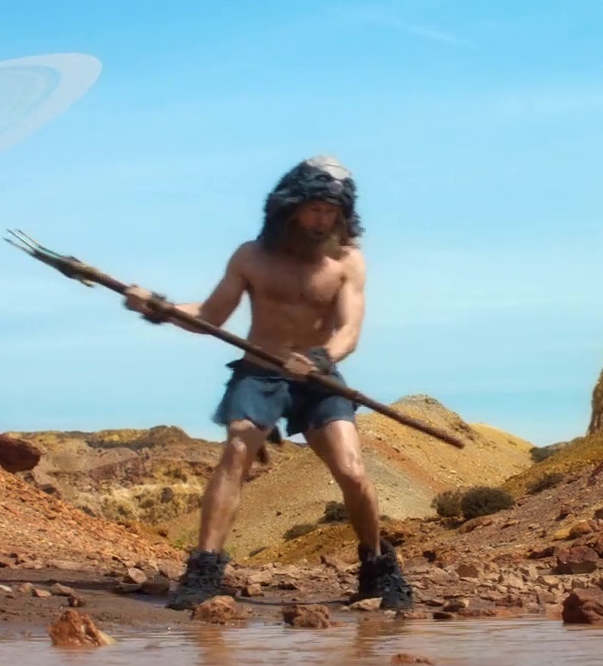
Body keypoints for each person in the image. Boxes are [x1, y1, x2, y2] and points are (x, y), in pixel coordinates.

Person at [123, 155, 415, 612]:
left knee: (353, 472)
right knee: (237, 449)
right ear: (290, 207)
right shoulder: (251, 257)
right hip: (259, 372)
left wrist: (319, 359)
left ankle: (378, 569)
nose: (323, 220)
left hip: (318, 376)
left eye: (332, 211)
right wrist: (159, 308)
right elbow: (210, 316)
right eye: (315, 209)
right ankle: (204, 570)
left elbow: (349, 332)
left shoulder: (347, 263)